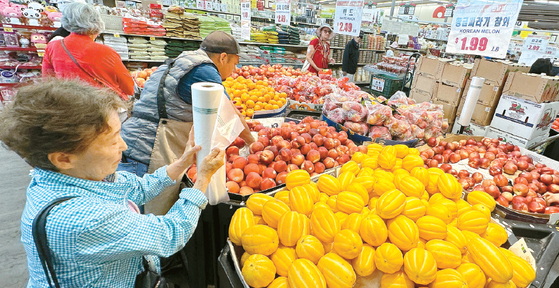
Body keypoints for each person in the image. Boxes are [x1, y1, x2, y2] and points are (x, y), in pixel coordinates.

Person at [0, 79, 225, 287]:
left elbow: (136, 189)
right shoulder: (84, 219)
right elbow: (168, 235)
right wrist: (203, 180)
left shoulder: (71, 177)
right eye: (112, 140)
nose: (124, 146)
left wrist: (181, 163)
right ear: (64, 158)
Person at [42, 2, 134, 101]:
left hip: (67, 105)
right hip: (100, 108)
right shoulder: (105, 51)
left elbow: (48, 82)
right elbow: (129, 88)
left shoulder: (52, 47)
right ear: (97, 24)